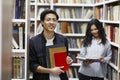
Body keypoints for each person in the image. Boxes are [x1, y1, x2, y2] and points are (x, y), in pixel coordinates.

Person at [29, 9, 73, 80]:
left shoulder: (63, 39)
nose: (51, 22)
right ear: (42, 22)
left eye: (54, 20)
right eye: (48, 20)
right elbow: (32, 66)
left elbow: (65, 60)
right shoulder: (33, 41)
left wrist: (69, 61)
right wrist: (50, 71)